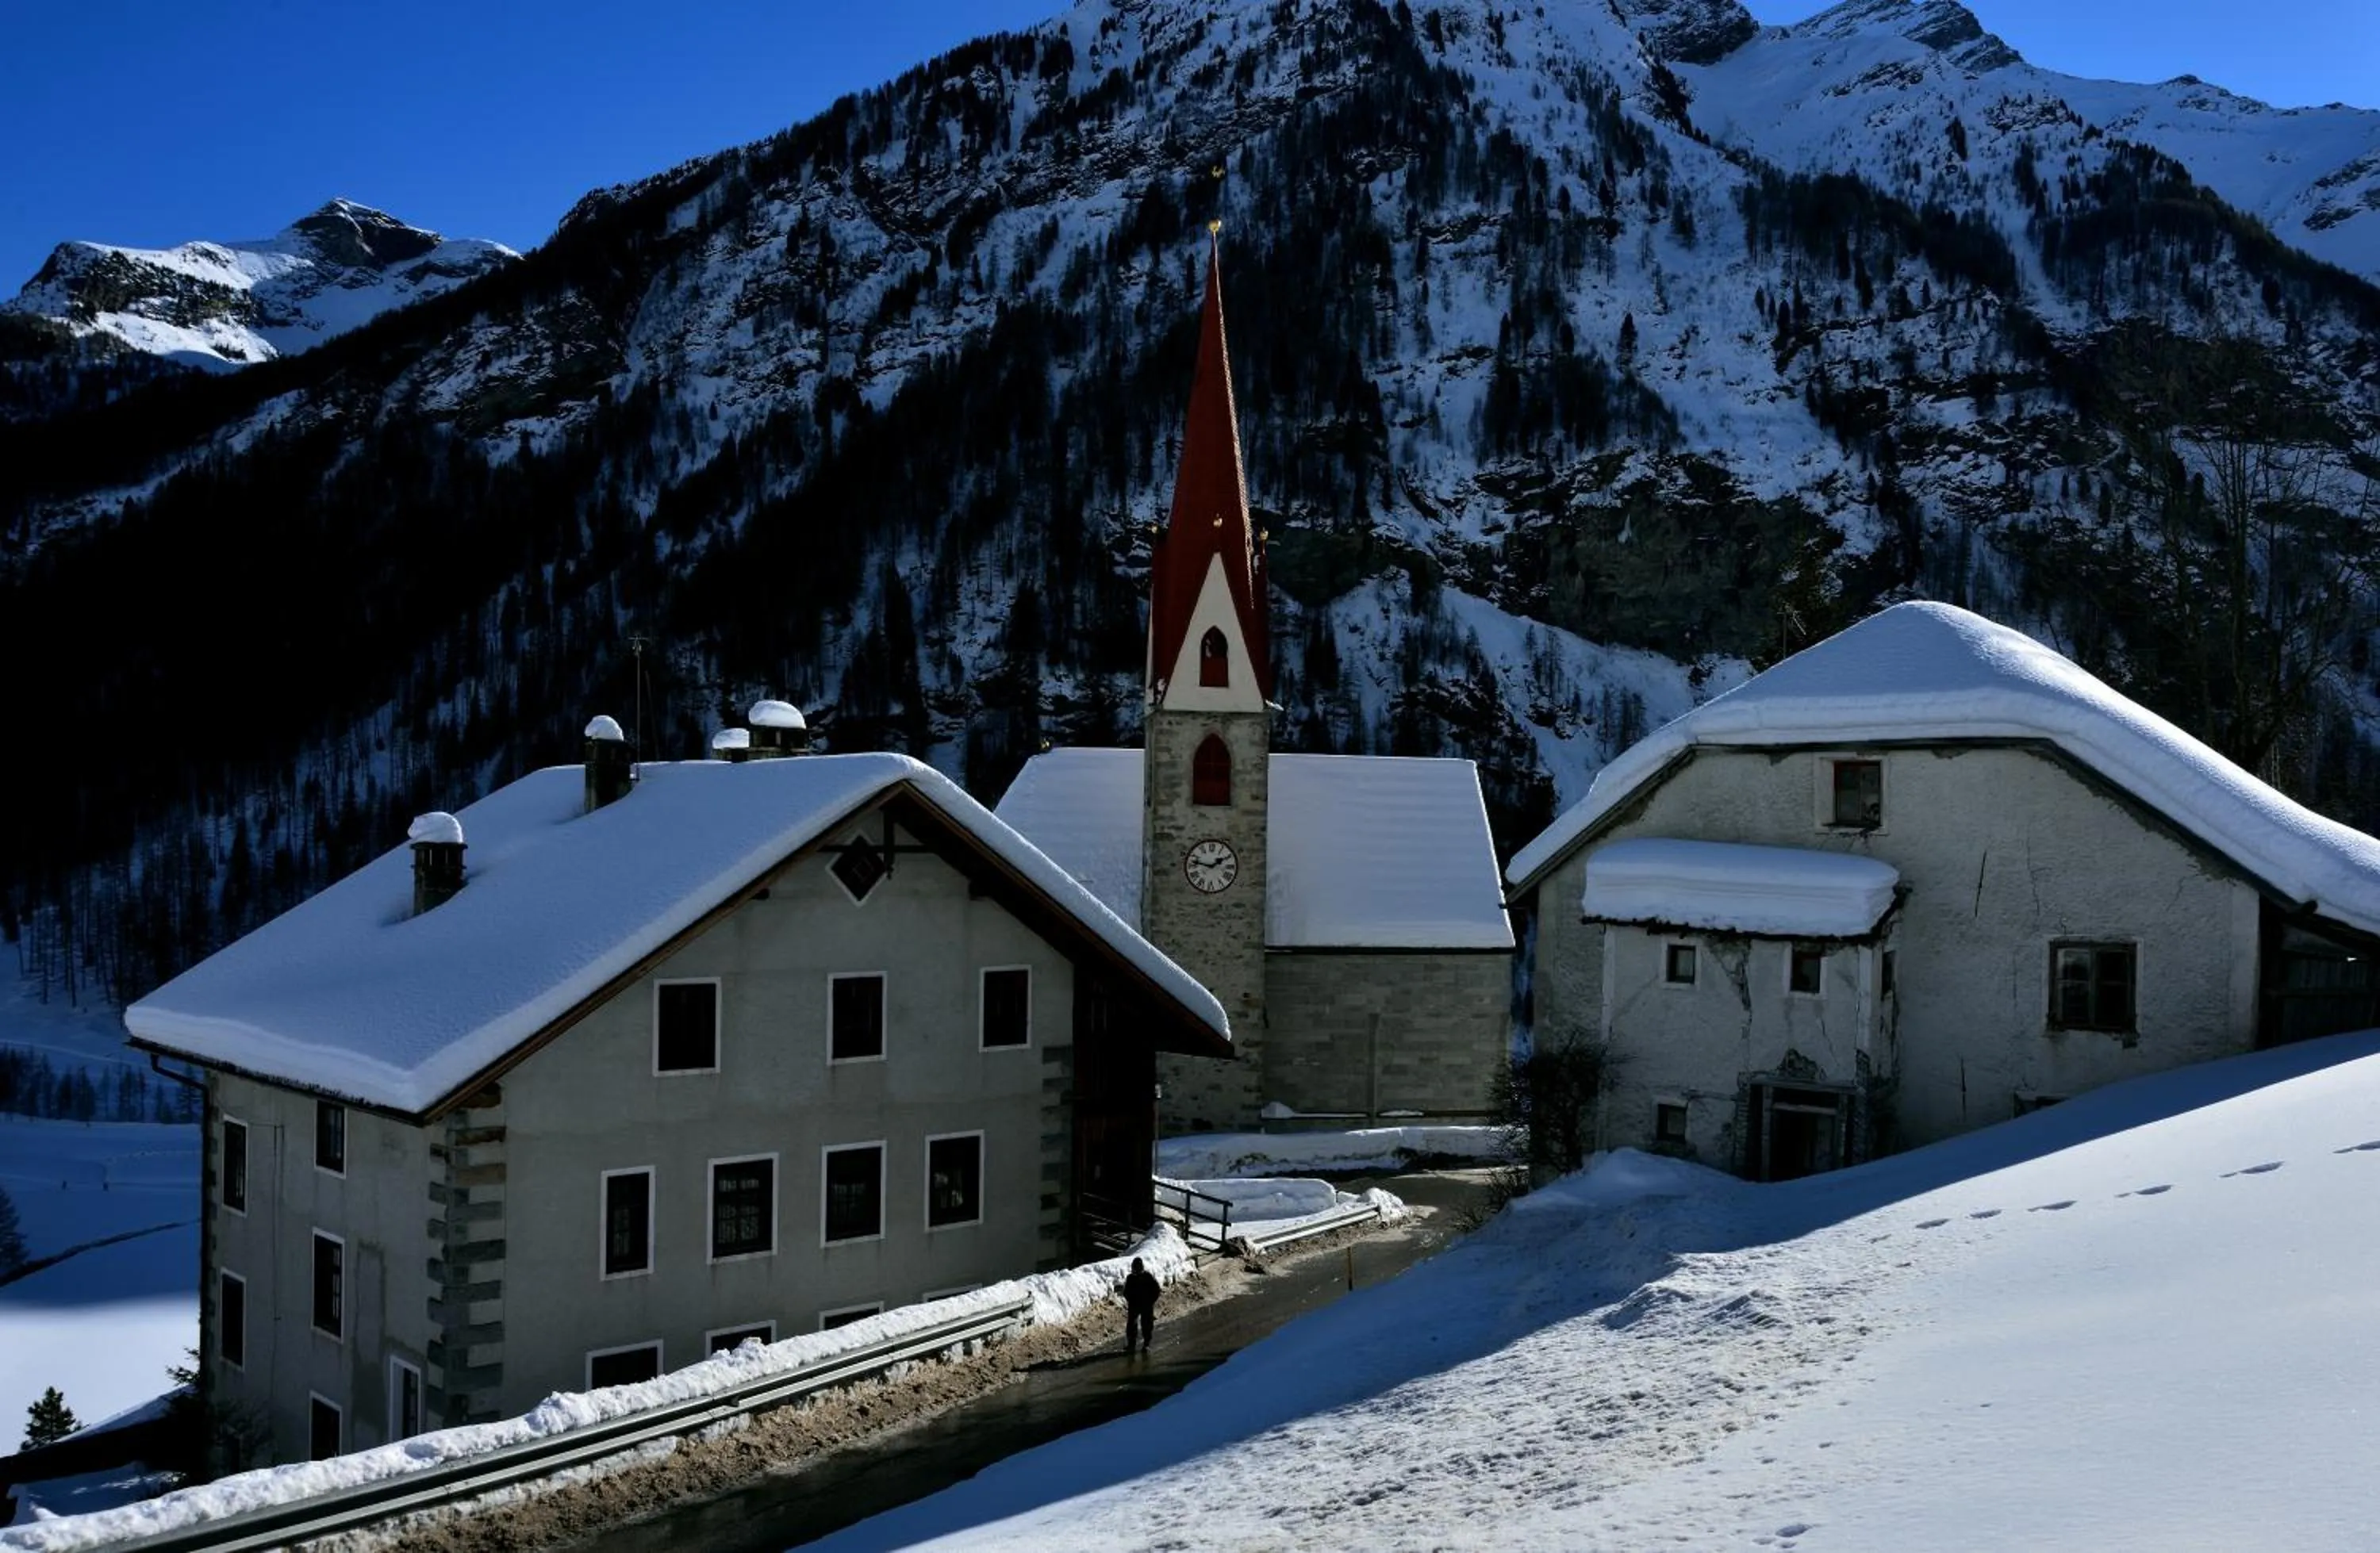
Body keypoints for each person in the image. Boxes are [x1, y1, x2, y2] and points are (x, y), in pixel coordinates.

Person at [1121, 1256, 1161, 1355]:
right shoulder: (1130, 1278)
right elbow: (1126, 1291)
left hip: (1146, 1305)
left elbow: (1157, 1290)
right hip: (1134, 1305)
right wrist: (1130, 1300)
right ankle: (1131, 1344)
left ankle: (1146, 1344)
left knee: (1147, 1325)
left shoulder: (1148, 1277)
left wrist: (1151, 1301)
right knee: (1131, 1325)